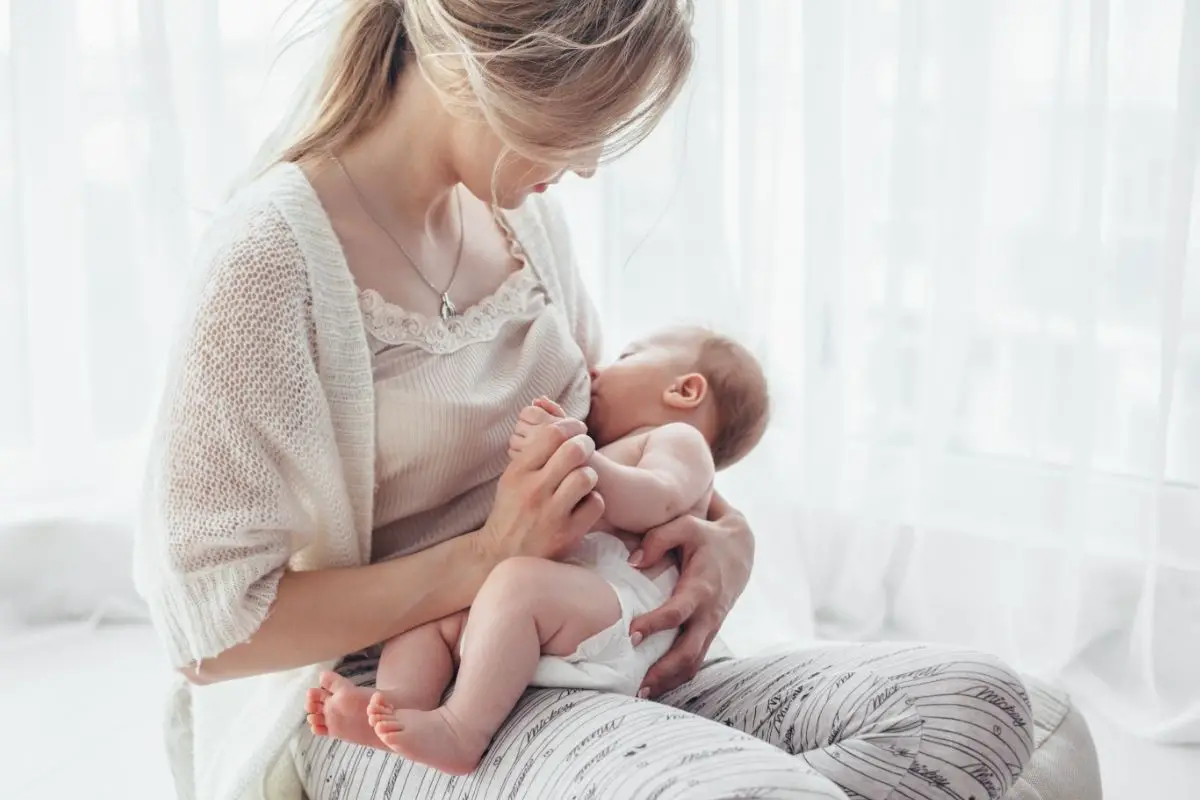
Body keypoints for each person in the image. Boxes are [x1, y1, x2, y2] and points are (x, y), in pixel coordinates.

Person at [135, 1, 1036, 799]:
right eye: (584, 121)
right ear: (493, 69)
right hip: (407, 692)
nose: (591, 164)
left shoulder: (518, 215)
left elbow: (618, 436)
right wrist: (488, 559)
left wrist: (726, 539)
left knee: (979, 706)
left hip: (589, 643)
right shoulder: (269, 267)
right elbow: (212, 638)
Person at [304, 327, 770, 775]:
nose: (595, 370)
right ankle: (399, 702)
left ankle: (460, 730)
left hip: (625, 615)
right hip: (564, 615)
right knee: (430, 617)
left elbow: (657, 498)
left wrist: (580, 457)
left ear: (685, 390)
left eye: (627, 355)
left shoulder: (680, 443)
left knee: (517, 583)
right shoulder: (621, 446)